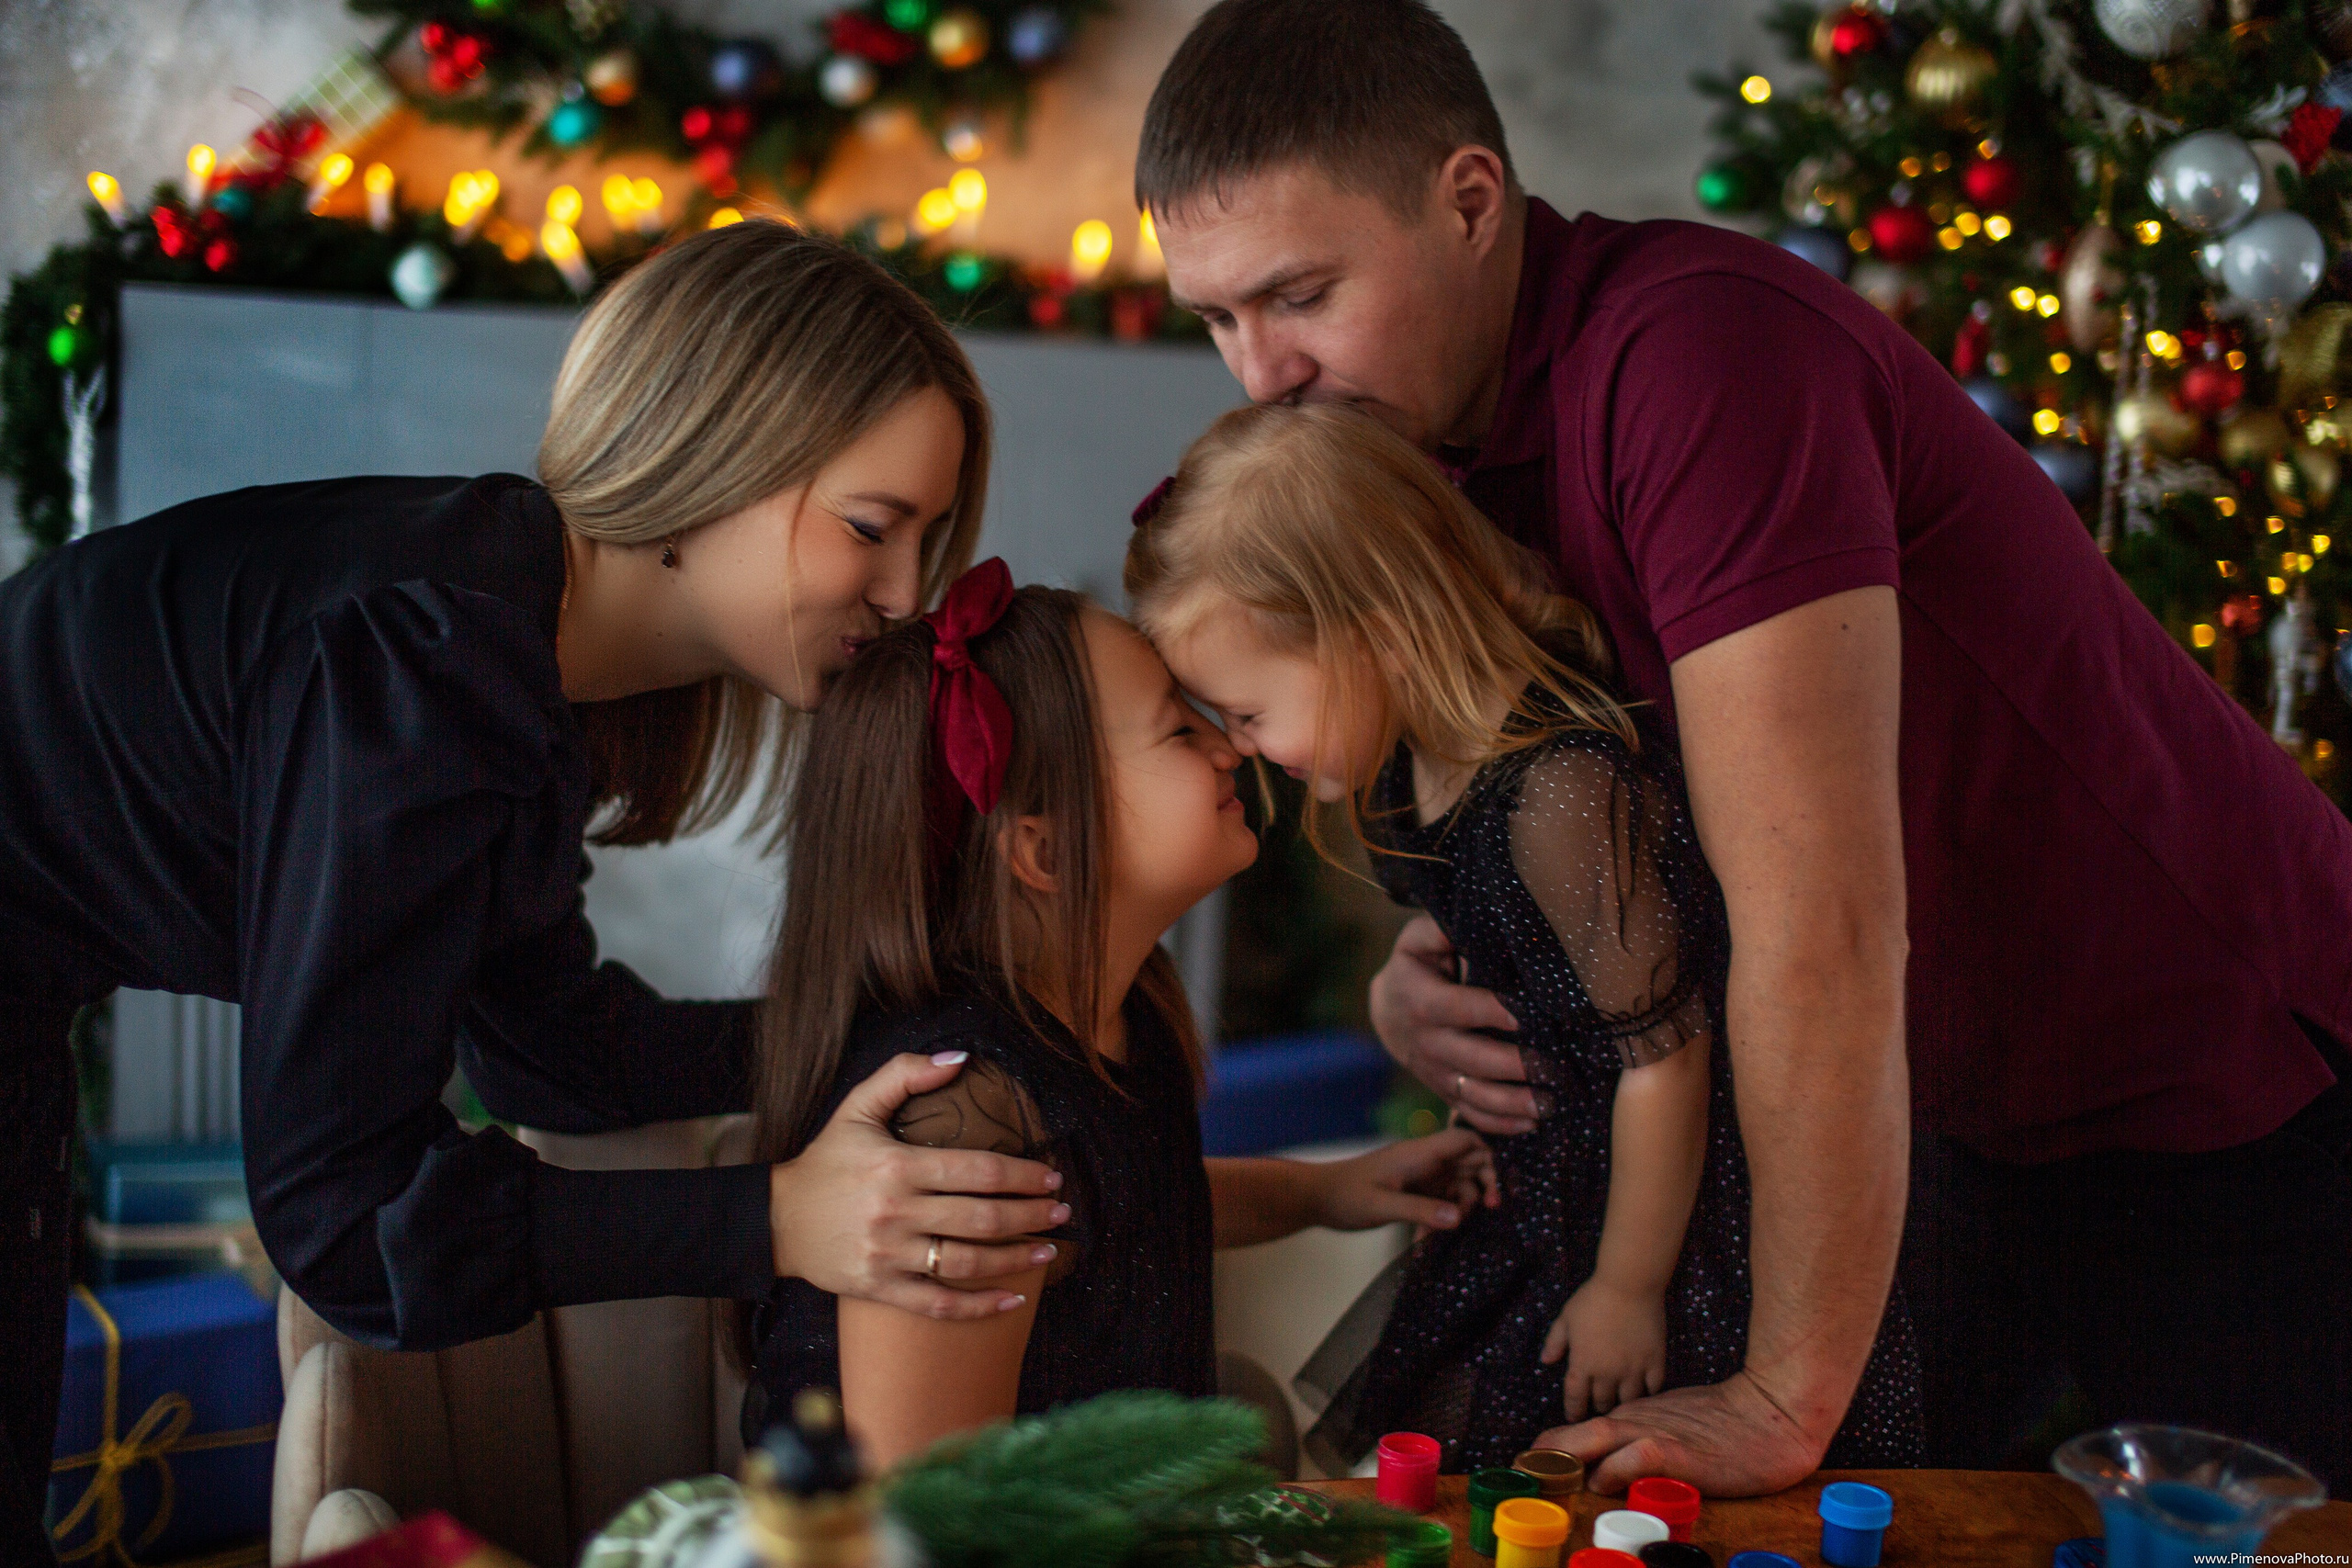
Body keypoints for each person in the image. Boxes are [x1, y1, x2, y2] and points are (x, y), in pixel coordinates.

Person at [1136, 0, 2352, 1494]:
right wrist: (1440, 970)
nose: (1262, 371)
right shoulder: (1406, 445)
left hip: (2209, 1070)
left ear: (1469, 201)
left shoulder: (1699, 354)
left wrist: (1786, 1387)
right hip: (1928, 1109)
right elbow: (1589, 815)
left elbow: (1820, 914)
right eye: (1217, 318)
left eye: (1301, 294)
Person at [0, 223, 1071, 1558]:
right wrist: (779, 1217)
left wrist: (896, 1022)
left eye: (928, 539)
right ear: (713, 456)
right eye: (873, 527)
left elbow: (555, 1055)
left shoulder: (518, 646)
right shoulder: (427, 664)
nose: (908, 592)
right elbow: (345, 1225)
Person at [1125, 401, 1920, 1472]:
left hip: (1656, 1216)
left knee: (1592, 1474)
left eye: (1250, 712)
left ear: (1377, 638)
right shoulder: (1403, 768)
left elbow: (1668, 1058)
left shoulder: (1560, 793)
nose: (1240, 745)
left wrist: (1627, 1289)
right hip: (1541, 1186)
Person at [739, 562, 1498, 1467]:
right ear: (1047, 850)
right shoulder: (964, 1121)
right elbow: (925, 1504)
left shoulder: (1122, 1009)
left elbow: (1129, 1204)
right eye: (1179, 728)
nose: (1230, 745)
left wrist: (1323, 1192)